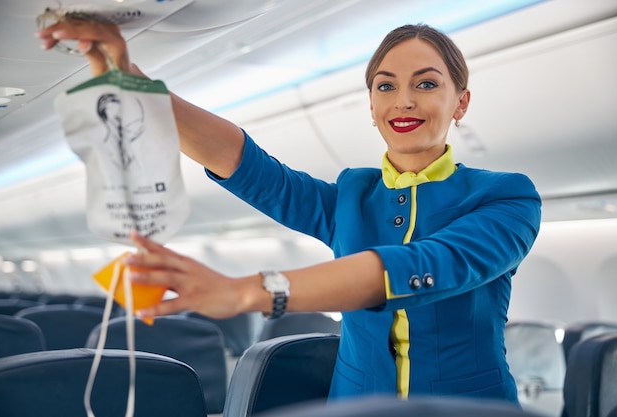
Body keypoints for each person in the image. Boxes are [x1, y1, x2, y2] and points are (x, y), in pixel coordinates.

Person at [37, 21, 541, 403]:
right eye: (385, 86)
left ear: (461, 102)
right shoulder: (353, 195)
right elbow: (250, 168)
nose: (403, 101)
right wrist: (135, 84)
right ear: (370, 104)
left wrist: (244, 291)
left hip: (469, 407)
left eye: (427, 84)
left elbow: (422, 265)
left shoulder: (507, 198)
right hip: (356, 407)